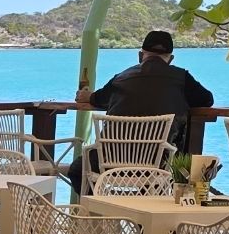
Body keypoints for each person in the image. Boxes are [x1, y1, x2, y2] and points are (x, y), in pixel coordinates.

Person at [66, 29, 213, 197]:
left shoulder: (121, 78)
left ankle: (103, 212)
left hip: (110, 162)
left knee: (77, 170)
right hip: (158, 164)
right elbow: (207, 100)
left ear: (140, 55)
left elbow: (97, 99)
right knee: (174, 173)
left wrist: (87, 95)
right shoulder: (182, 78)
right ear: (170, 59)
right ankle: (144, 218)